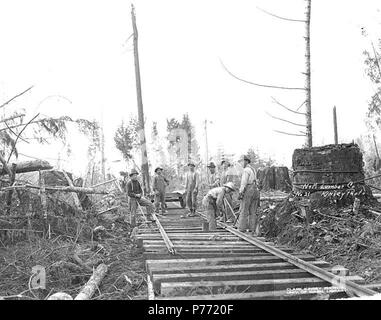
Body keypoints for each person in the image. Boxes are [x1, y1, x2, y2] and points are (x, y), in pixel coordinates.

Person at [237, 155, 260, 235]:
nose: (241, 164)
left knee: (244, 210)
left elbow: (244, 182)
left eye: (241, 162)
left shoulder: (246, 170)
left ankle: (242, 229)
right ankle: (251, 229)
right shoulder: (253, 169)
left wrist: (241, 192)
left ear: (246, 161)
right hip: (255, 190)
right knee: (252, 211)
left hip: (249, 189)